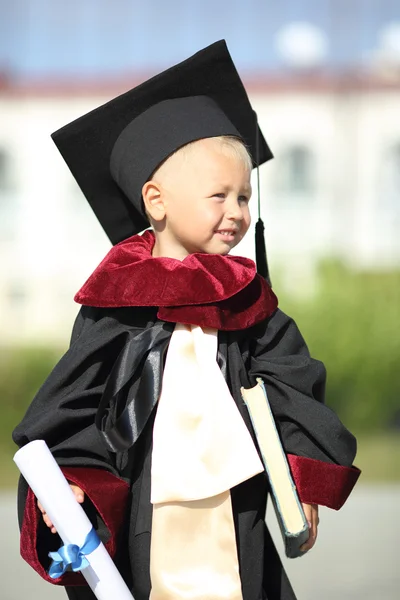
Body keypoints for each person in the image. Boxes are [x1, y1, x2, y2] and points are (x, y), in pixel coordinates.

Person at [12, 40, 361, 600]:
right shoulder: (115, 304)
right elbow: (75, 408)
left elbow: (294, 383)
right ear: (157, 200)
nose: (237, 212)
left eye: (245, 197)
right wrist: (71, 486)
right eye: (219, 195)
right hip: (149, 503)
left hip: (236, 506)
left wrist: (301, 481)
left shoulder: (247, 302)